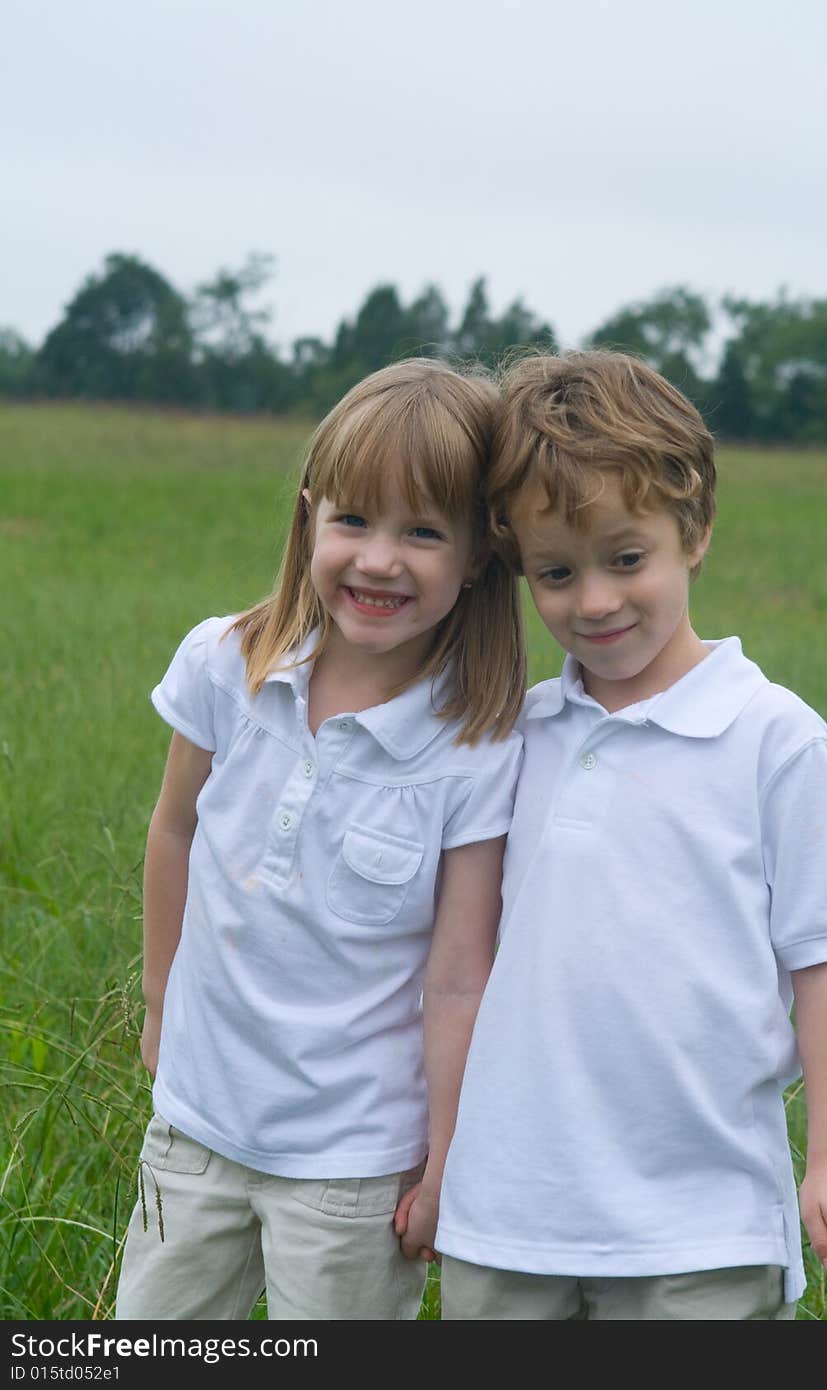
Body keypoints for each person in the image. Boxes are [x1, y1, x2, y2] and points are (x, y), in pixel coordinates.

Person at [434, 349, 827, 1320]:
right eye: (554, 573)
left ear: (695, 530)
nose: (592, 601)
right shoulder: (511, 732)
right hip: (506, 1216)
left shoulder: (771, 736)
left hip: (702, 1224)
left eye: (625, 559)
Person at [115, 358, 526, 1321]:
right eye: (353, 521)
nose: (379, 560)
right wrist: (159, 999)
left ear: (477, 556)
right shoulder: (229, 664)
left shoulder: (476, 748)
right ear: (309, 519)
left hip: (354, 1168)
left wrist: (444, 1152)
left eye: (422, 532)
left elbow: (460, 974)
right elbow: (173, 830)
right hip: (197, 1124)